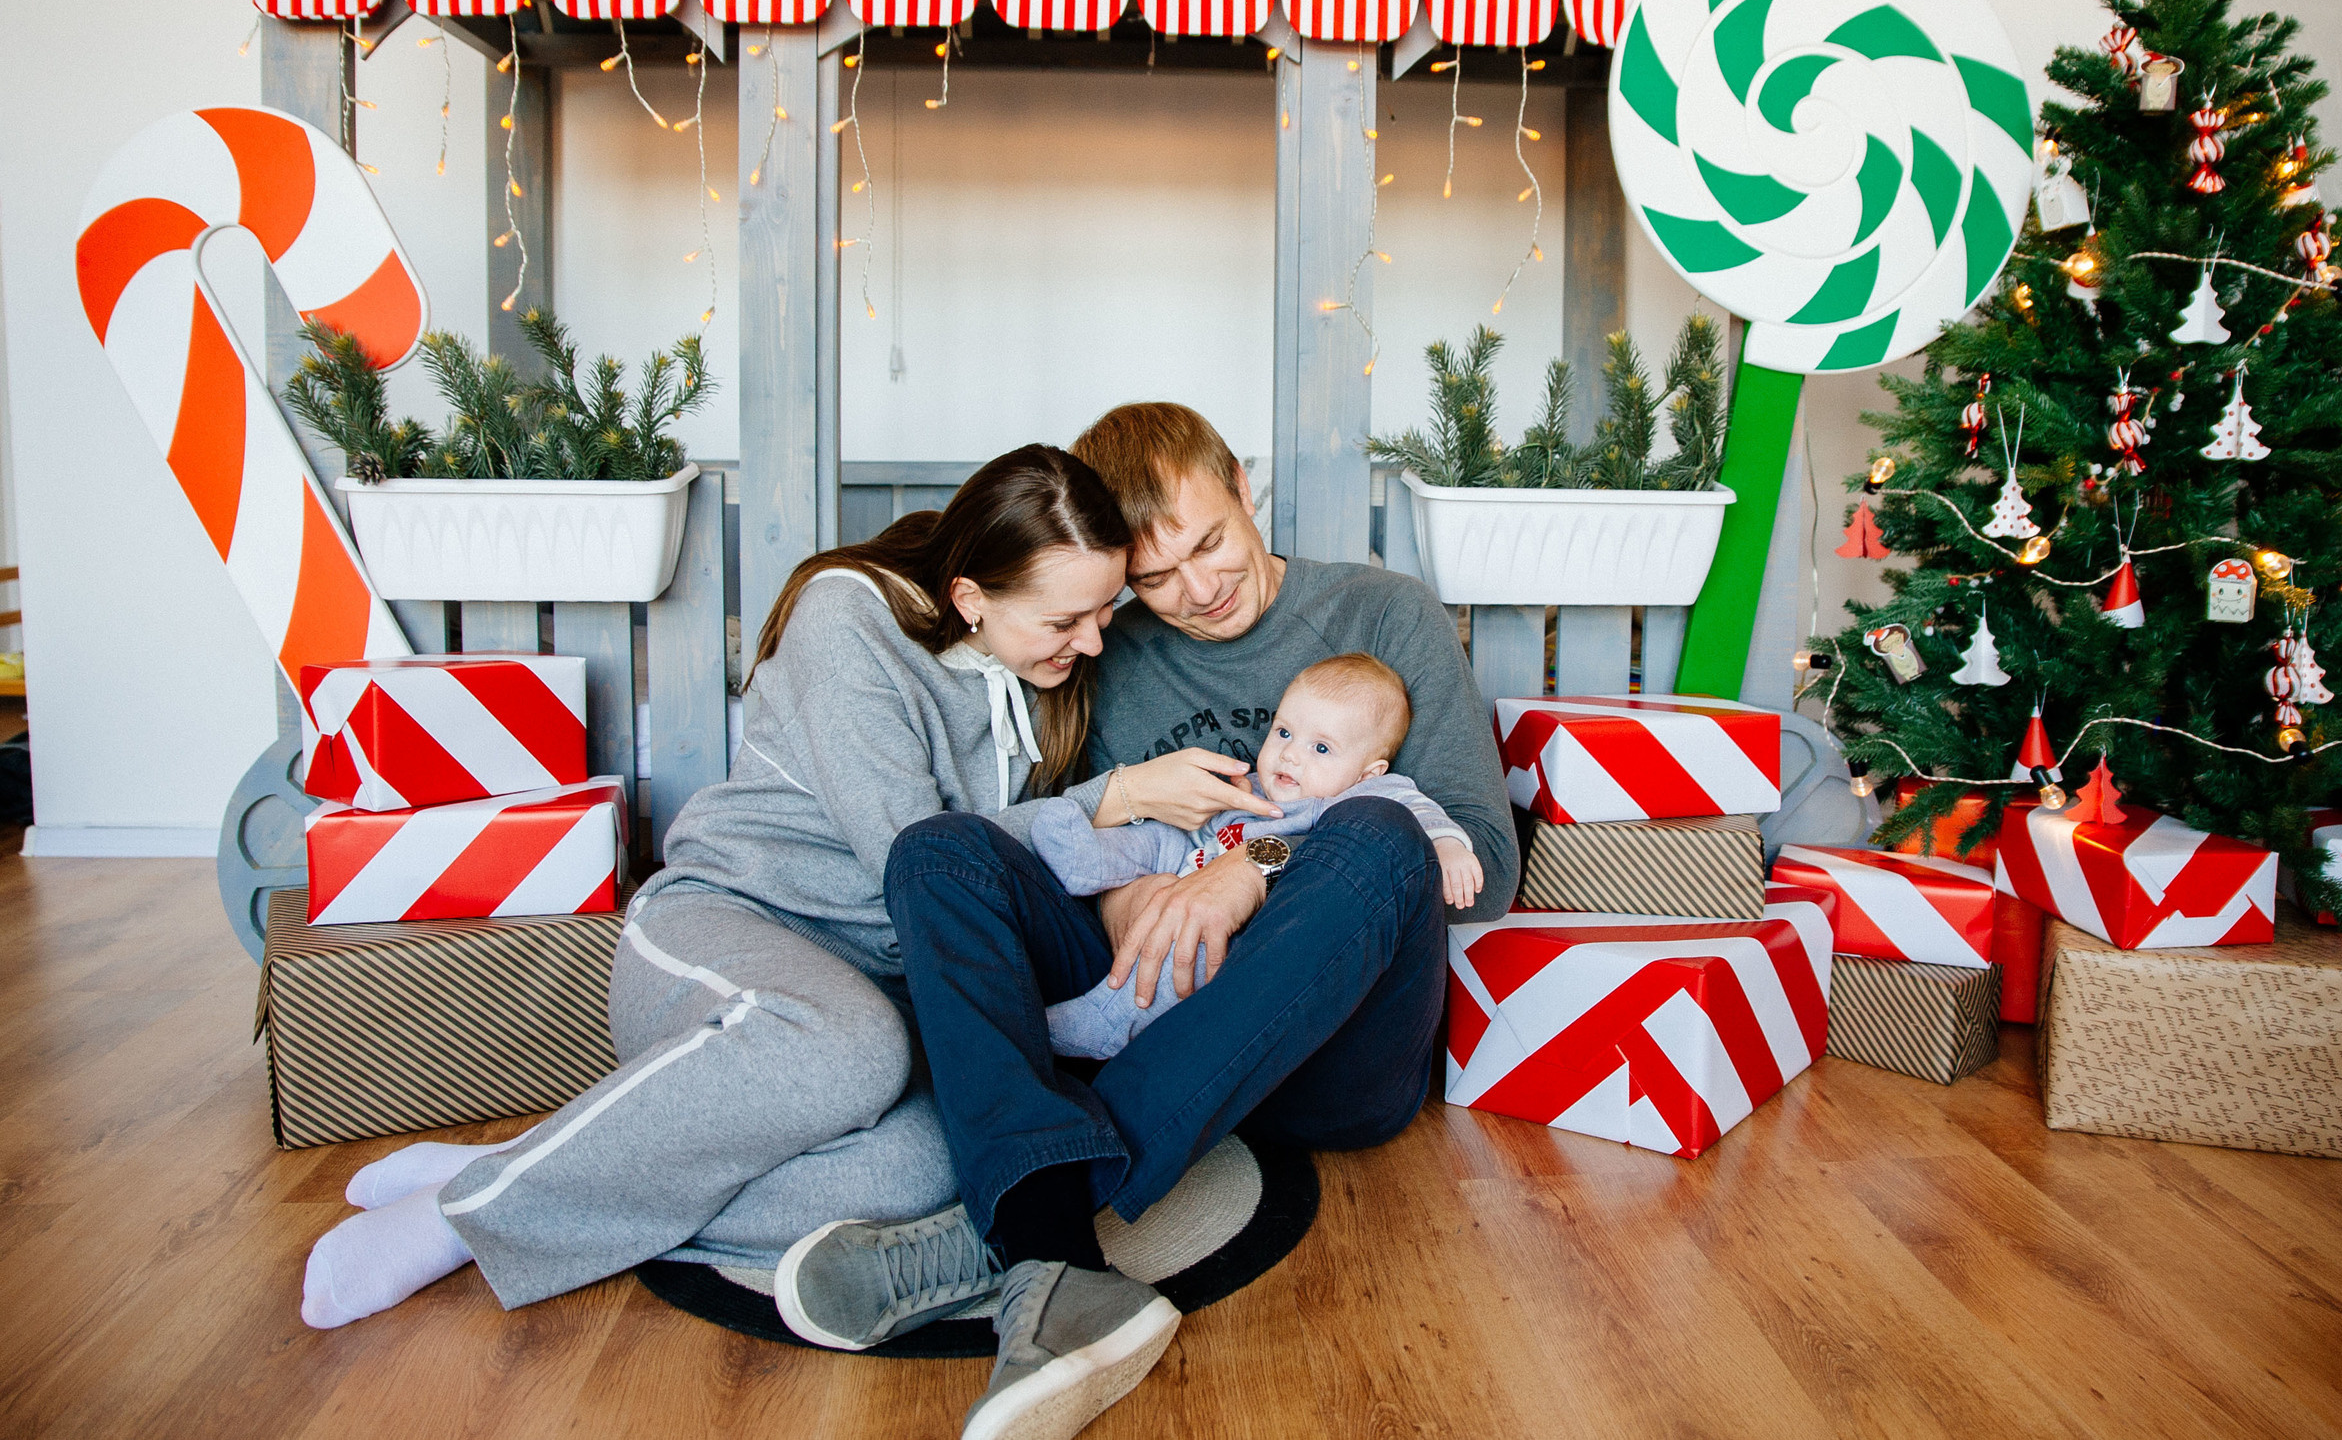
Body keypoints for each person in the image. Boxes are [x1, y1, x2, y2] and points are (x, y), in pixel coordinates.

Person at [296, 445, 1135, 1365]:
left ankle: (549, 1161)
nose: (1095, 641)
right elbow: (914, 853)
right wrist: (1106, 802)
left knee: (938, 1166)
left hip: (877, 990)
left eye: (1106, 610)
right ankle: (467, 1216)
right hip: (728, 930)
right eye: (1067, 619)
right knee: (848, 1047)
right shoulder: (847, 618)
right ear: (971, 595)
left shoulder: (1044, 677)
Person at [778, 404, 1516, 1440]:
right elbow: (1086, 844)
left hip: (1332, 1046)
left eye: (1209, 542)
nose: (1198, 589)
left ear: (1243, 488)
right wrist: (1138, 900)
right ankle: (1057, 1255)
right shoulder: (1107, 648)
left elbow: (1480, 861)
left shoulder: (1383, 613)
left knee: (1382, 829)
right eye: (1155, 576)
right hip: (1156, 996)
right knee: (937, 850)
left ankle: (1016, 1223)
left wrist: (1251, 871)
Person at [1038, 652, 1483, 1058]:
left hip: (1242, 926)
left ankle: (1110, 1020)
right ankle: (1086, 858)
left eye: (1321, 748)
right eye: (1284, 732)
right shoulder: (1251, 786)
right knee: (1160, 834)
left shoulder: (1360, 796)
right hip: (1192, 864)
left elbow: (1414, 811)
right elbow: (1191, 835)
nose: (1289, 754)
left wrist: (1447, 845)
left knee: (1195, 946)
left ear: (1368, 773)